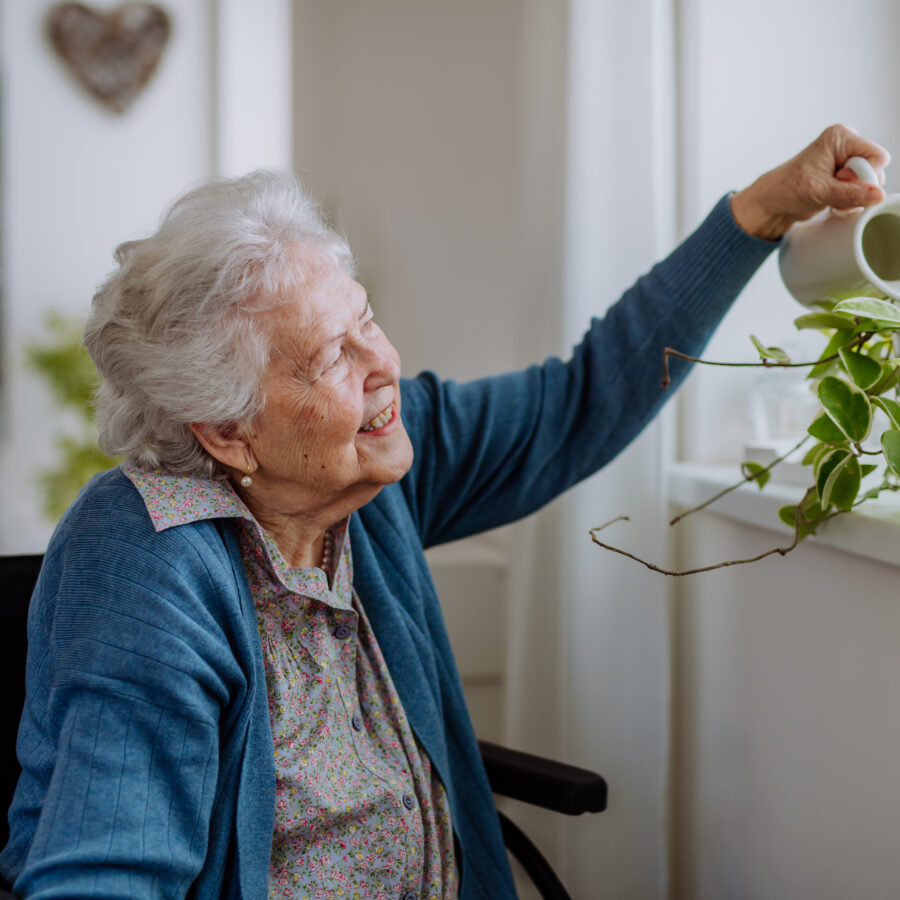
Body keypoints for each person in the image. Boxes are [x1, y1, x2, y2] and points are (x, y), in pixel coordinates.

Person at [0, 124, 888, 899]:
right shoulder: (146, 562)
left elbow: (580, 402)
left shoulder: (369, 461)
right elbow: (104, 872)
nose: (381, 363)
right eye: (329, 359)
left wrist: (764, 213)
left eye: (367, 320)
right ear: (229, 432)